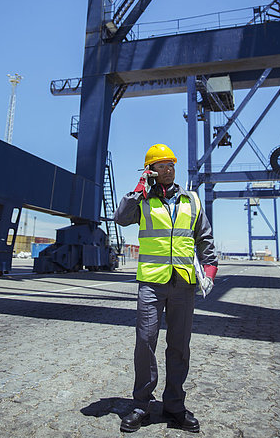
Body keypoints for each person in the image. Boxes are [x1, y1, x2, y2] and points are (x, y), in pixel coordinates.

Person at [114, 144, 218, 433]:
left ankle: (174, 405)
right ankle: (141, 405)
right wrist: (138, 189)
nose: (168, 168)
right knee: (145, 341)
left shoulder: (192, 200)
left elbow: (204, 238)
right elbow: (120, 218)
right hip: (152, 282)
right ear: (150, 170)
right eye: (161, 165)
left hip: (183, 283)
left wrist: (209, 269)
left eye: (171, 164)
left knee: (179, 345)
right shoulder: (143, 200)